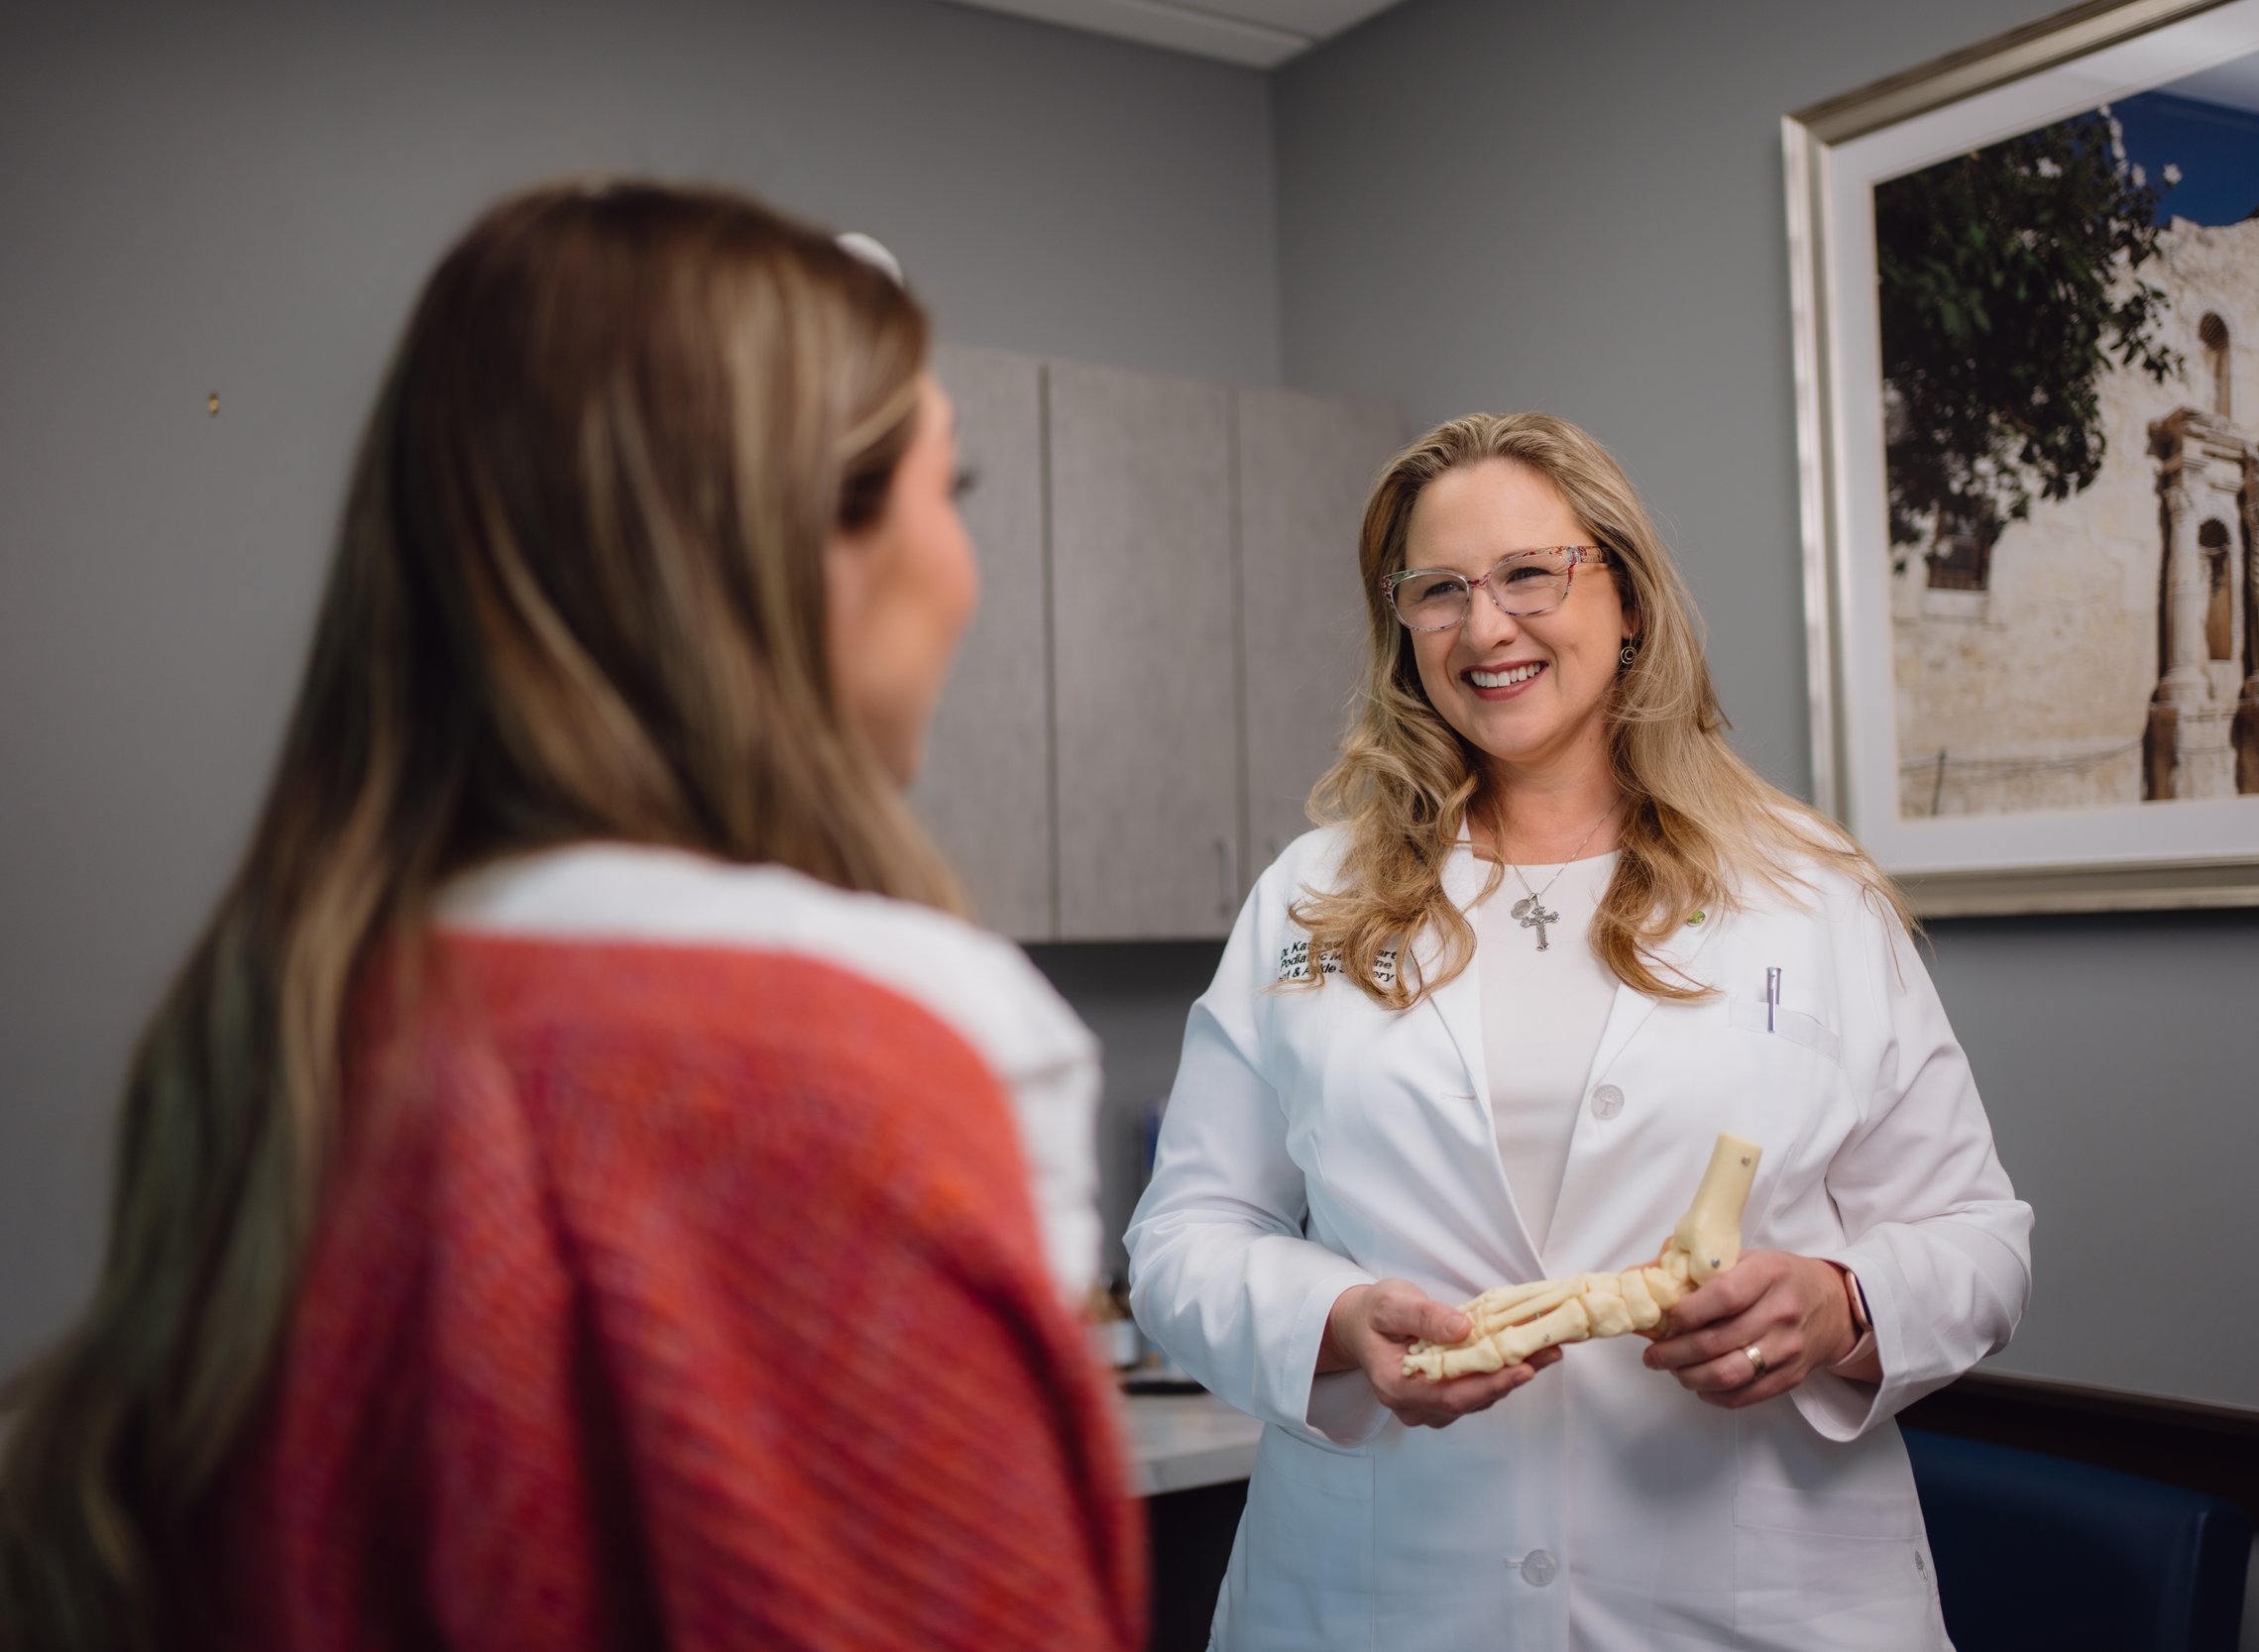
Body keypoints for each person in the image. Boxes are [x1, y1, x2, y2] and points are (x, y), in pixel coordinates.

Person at [0, 181, 1143, 1652]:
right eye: (950, 486)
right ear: (807, 541)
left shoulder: (274, 1017)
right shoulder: (892, 1052)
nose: (965, 574)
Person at [1127, 412, 2031, 1651]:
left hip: (1749, 1600)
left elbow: (1975, 1233)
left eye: (1528, 574)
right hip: (1387, 1595)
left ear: (1629, 599)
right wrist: (1332, 1321)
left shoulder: (1807, 889)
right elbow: (1182, 1233)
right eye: (1438, 589)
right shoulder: (1308, 897)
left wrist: (1839, 1304)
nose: (1484, 627)